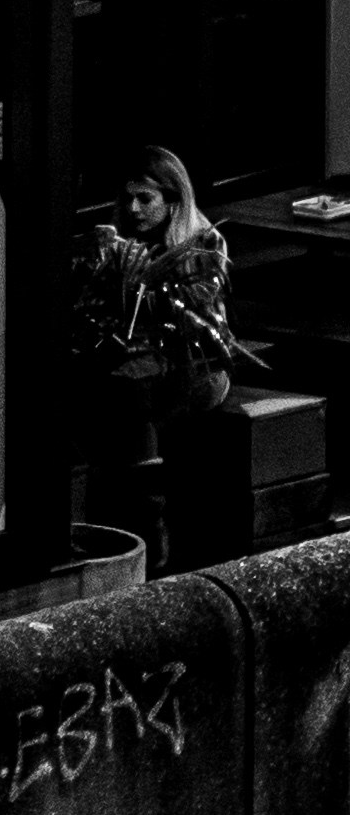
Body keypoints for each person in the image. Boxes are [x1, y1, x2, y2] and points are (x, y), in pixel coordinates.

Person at [71, 148, 242, 568]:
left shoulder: (203, 242)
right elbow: (91, 316)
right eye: (129, 198)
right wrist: (97, 272)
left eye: (145, 199)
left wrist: (153, 298)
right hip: (134, 362)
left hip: (198, 368)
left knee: (133, 387)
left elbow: (203, 327)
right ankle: (118, 517)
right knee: (109, 381)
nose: (134, 209)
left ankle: (150, 523)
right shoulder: (120, 242)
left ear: (173, 200)